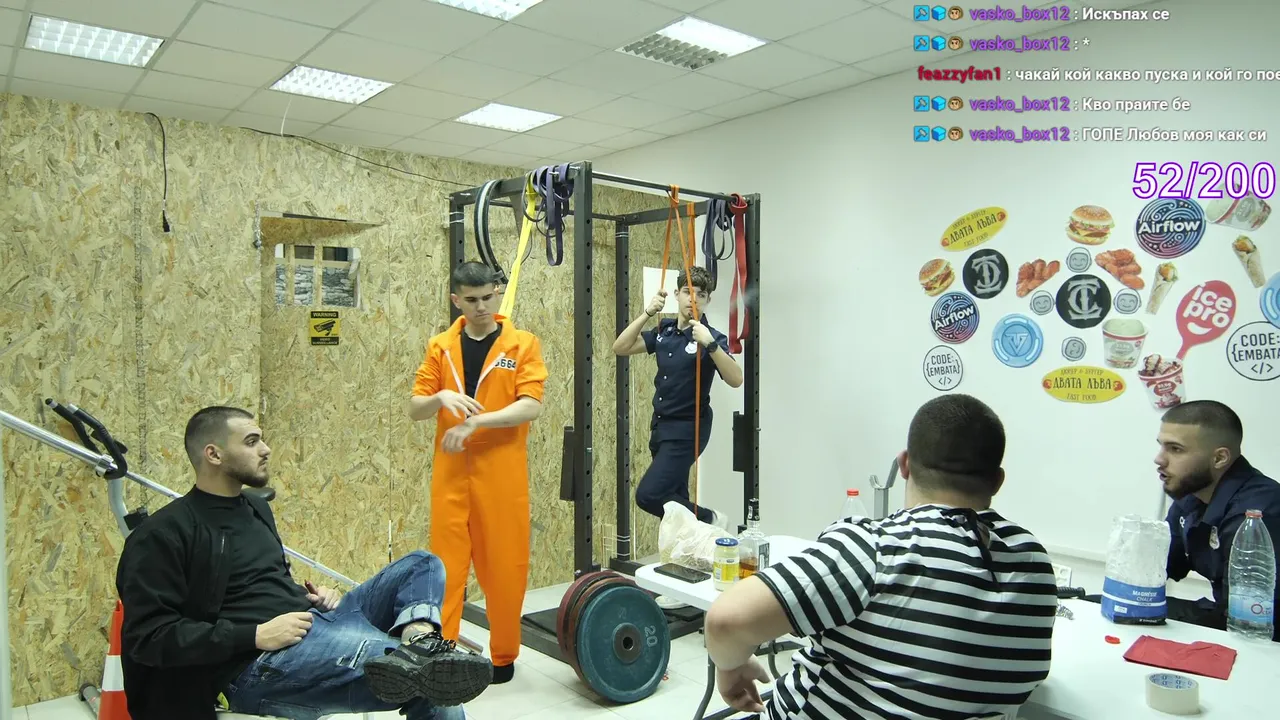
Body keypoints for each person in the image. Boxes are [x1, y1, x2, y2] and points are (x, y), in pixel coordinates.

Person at [115, 406, 491, 720]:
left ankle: (418, 639)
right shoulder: (162, 534)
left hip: (315, 620)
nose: (266, 449)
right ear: (214, 455)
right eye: (251, 441)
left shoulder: (256, 508)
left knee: (422, 563)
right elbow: (150, 637)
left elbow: (261, 581)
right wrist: (255, 635)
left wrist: (306, 595)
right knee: (431, 681)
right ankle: (418, 659)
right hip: (257, 662)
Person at [703, 394, 1058, 719]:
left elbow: (725, 622)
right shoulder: (1034, 563)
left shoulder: (874, 547)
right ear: (997, 481)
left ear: (904, 465)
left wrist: (730, 667)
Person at [409, 261, 548, 683]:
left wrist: (476, 423)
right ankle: (443, 652)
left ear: (497, 293)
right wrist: (441, 398)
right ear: (457, 300)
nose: (481, 306)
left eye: (488, 297)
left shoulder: (521, 344)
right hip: (451, 474)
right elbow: (415, 407)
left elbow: (531, 405)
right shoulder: (440, 346)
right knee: (445, 570)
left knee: (504, 568)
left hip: (501, 474)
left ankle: (503, 657)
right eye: (471, 300)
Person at [611, 266, 743, 530]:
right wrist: (648, 312)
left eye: (701, 295)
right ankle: (694, 546)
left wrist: (710, 345)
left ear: (707, 300)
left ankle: (711, 519)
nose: (693, 299)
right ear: (676, 295)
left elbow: (736, 379)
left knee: (648, 495)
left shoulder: (711, 338)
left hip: (688, 430)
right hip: (661, 428)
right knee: (674, 502)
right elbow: (620, 347)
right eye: (687, 292)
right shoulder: (665, 331)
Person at [1156, 400, 1280, 640]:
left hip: (1264, 643)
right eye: (1161, 446)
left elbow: (1246, 621)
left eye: (1175, 449)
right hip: (1234, 627)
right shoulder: (1191, 496)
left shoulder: (1258, 514)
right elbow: (1157, 568)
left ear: (1220, 458)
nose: (1159, 459)